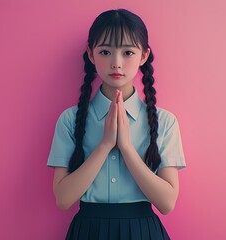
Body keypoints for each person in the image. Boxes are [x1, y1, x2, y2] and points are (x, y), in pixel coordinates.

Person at [47, 8, 186, 240]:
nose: (116, 63)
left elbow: (166, 203)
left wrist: (126, 148)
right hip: (89, 232)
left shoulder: (165, 122)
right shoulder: (70, 120)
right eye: (105, 51)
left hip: (143, 232)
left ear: (143, 56)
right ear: (91, 55)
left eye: (128, 52)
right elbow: (63, 199)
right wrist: (105, 145)